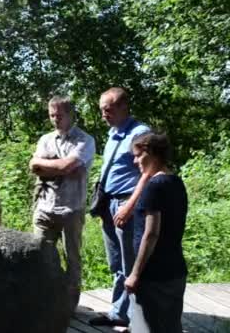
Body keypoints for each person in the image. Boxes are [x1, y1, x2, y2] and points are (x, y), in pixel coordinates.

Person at [89, 87, 151, 327]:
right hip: (109, 203)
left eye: (108, 109)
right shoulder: (114, 132)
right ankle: (119, 312)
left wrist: (129, 206)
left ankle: (136, 316)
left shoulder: (140, 133)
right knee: (115, 262)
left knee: (130, 263)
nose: (104, 114)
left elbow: (147, 173)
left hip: (127, 203)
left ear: (124, 107)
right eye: (102, 110)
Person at [29, 96, 95, 312]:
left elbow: (67, 166)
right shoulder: (45, 139)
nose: (55, 119)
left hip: (71, 208)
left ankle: (69, 307)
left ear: (70, 114)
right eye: (51, 115)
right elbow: (33, 165)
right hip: (44, 208)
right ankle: (44, 302)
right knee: (39, 256)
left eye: (59, 115)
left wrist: (49, 165)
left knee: (72, 259)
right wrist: (57, 166)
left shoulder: (85, 140)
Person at [125, 133, 188, 333]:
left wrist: (135, 274)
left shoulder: (154, 186)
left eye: (137, 155)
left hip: (155, 277)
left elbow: (151, 233)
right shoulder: (176, 183)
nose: (135, 161)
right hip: (175, 272)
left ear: (150, 152)